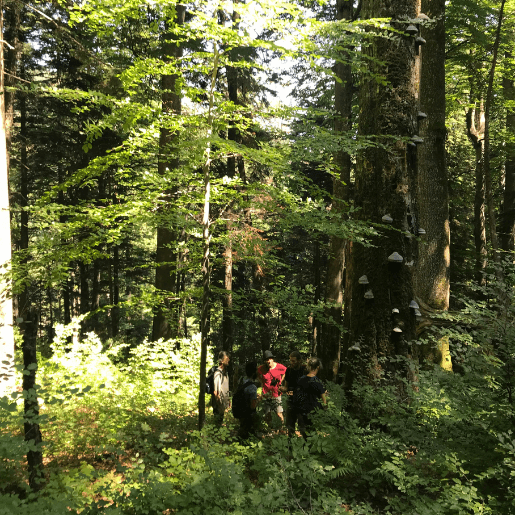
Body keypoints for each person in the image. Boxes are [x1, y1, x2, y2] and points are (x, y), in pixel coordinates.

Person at [292, 356, 327, 439]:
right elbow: (324, 401)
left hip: (301, 411)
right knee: (313, 435)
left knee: (304, 435)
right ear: (318, 367)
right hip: (314, 412)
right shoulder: (318, 382)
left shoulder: (301, 380)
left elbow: (295, 395)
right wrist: (324, 410)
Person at [281, 350, 307, 437]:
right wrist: (282, 389)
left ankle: (305, 442)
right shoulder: (289, 370)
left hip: (302, 402)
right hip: (291, 401)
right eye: (290, 361)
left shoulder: (304, 370)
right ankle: (290, 443)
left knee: (303, 426)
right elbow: (286, 386)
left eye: (293, 361)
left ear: (299, 361)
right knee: (290, 426)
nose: (291, 363)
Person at [257, 350, 287, 427]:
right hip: (266, 394)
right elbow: (257, 375)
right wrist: (262, 383)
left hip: (276, 394)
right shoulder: (261, 368)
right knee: (267, 414)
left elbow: (285, 372)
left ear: (272, 359)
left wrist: (281, 381)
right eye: (266, 360)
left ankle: (282, 428)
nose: (268, 361)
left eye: (270, 359)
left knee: (279, 413)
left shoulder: (279, 367)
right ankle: (270, 429)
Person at [236, 361, 259, 441]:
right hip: (248, 414)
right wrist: (258, 400)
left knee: (241, 428)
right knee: (247, 433)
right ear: (253, 372)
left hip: (239, 410)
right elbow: (253, 406)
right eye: (256, 370)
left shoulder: (241, 380)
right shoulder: (252, 387)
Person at [212, 350, 230, 426]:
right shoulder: (218, 374)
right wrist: (218, 405)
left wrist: (228, 401)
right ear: (221, 361)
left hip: (223, 405)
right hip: (219, 405)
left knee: (221, 422)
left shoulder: (225, 373)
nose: (228, 360)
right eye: (226, 358)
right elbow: (215, 392)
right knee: (217, 423)